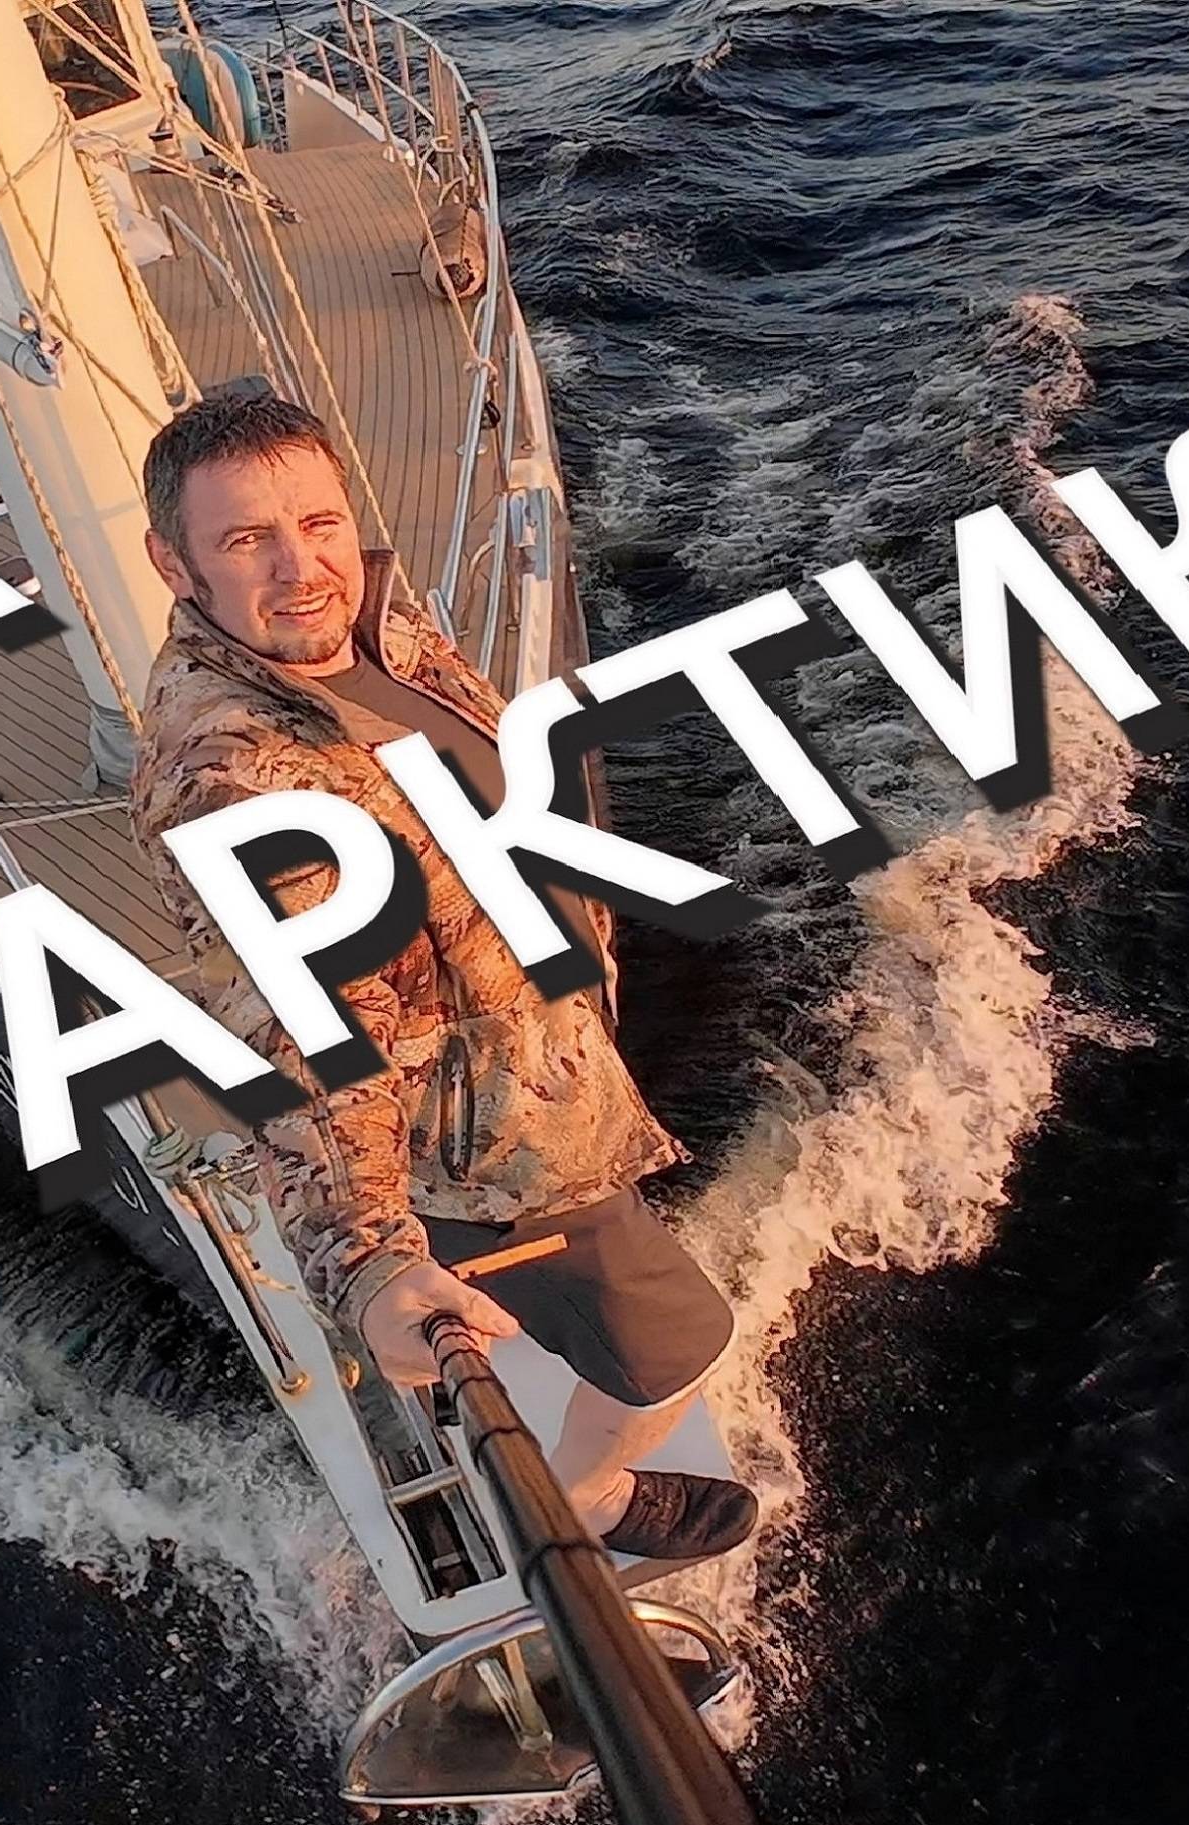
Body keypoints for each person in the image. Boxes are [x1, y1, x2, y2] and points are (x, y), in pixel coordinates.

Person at [126, 392, 759, 1562]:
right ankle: (584, 1493)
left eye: (318, 522)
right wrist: (368, 1258)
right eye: (247, 540)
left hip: (523, 1045)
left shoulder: (368, 621)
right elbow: (309, 1032)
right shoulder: (237, 781)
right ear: (175, 564)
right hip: (497, 1148)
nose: (303, 567)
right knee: (678, 1347)